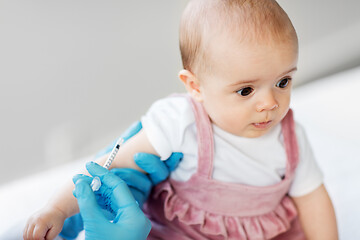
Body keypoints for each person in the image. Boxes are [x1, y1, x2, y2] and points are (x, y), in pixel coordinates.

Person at [24, 0, 338, 239]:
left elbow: (314, 200)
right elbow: (110, 165)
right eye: (245, 91)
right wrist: (58, 208)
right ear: (195, 87)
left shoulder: (291, 136)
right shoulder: (180, 121)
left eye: (283, 82)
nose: (270, 103)